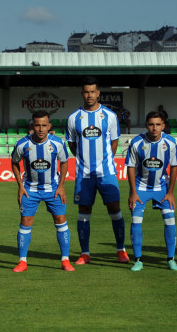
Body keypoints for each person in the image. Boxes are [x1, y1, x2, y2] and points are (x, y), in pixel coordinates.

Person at [66, 76, 128, 265]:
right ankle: (85, 253)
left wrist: (103, 160)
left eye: (93, 91)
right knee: (84, 211)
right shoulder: (73, 118)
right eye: (86, 91)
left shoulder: (110, 116)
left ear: (98, 93)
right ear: (82, 93)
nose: (89, 95)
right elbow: (72, 145)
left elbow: (114, 143)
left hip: (106, 172)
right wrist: (86, 160)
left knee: (115, 209)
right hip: (84, 174)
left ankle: (121, 250)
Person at [10, 110, 73, 272]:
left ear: (49, 126)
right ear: (32, 125)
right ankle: (22, 262)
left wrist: (61, 186)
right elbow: (14, 162)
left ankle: (65, 260)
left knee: (61, 220)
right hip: (30, 190)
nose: (40, 129)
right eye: (37, 125)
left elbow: (65, 162)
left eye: (44, 125)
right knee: (25, 223)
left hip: (53, 189)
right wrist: (20, 186)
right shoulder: (22, 144)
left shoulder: (57, 143)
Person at [125, 111, 177, 271]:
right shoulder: (136, 142)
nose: (154, 128)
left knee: (170, 221)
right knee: (136, 222)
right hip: (140, 187)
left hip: (162, 188)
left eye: (158, 124)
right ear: (146, 125)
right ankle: (138, 260)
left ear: (163, 125)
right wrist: (133, 193)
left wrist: (170, 192)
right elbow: (130, 167)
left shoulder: (170, 142)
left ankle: (171, 259)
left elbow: (175, 167)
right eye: (151, 124)